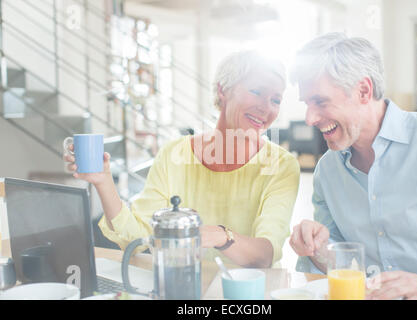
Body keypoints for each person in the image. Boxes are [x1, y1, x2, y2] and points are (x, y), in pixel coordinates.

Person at [64, 50, 300, 268]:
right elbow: (138, 239)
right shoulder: (174, 154)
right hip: (183, 285)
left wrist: (221, 235)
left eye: (276, 100)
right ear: (223, 90)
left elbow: (265, 254)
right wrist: (104, 181)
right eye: (257, 92)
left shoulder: (280, 166)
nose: (265, 108)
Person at [289, 32, 417, 299]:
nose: (309, 118)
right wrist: (316, 247)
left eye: (320, 101)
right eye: (307, 104)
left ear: (364, 91)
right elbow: (339, 261)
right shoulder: (327, 171)